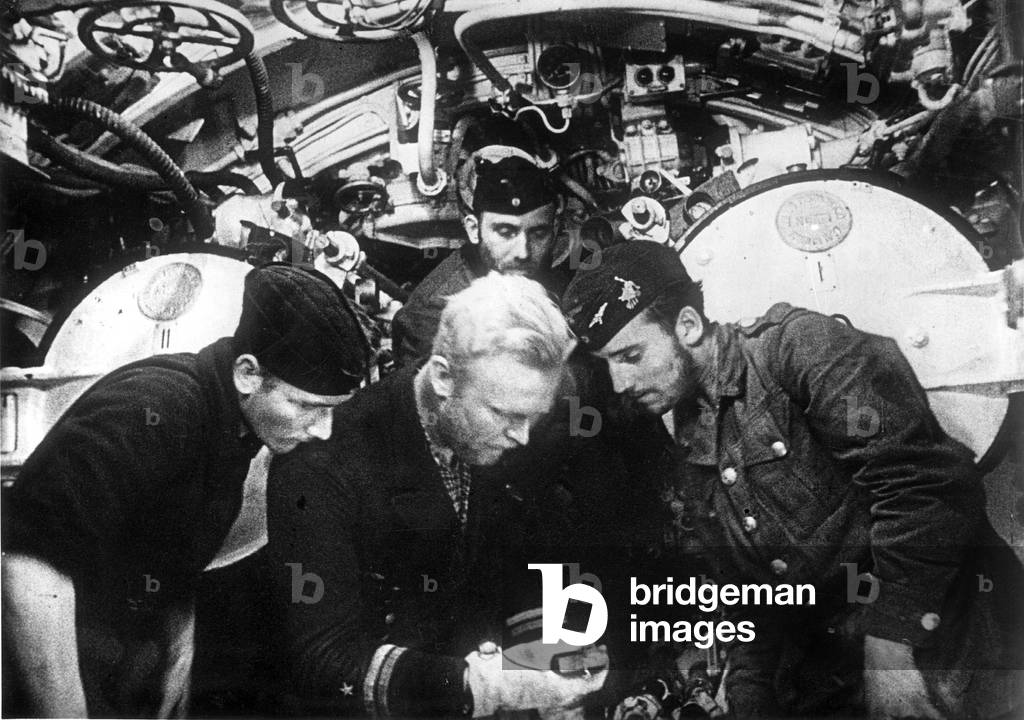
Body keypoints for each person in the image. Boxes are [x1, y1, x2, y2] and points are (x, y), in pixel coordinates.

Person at [561, 241, 1024, 719]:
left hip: (947, 627)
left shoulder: (801, 350)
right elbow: (747, 595)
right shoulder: (688, 427)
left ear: (687, 326)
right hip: (841, 655)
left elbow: (927, 490)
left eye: (631, 355)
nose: (619, 383)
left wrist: (889, 647)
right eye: (608, 363)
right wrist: (749, 696)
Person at [2, 263, 370, 717]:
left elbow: (168, 543)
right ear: (248, 373)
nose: (324, 431)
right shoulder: (157, 410)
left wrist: (180, 647)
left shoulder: (234, 426)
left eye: (333, 411)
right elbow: (27, 569)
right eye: (307, 407)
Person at [264, 273, 609, 718]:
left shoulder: (505, 416)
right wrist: (486, 686)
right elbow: (323, 660)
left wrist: (555, 652)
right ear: (443, 377)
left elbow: (517, 555)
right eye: (506, 414)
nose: (522, 437)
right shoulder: (321, 467)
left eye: (534, 416)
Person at [390, 150, 562, 367]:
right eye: (506, 232)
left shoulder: (546, 270)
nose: (523, 252)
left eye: (539, 234)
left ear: (554, 229)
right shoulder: (434, 314)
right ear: (473, 229)